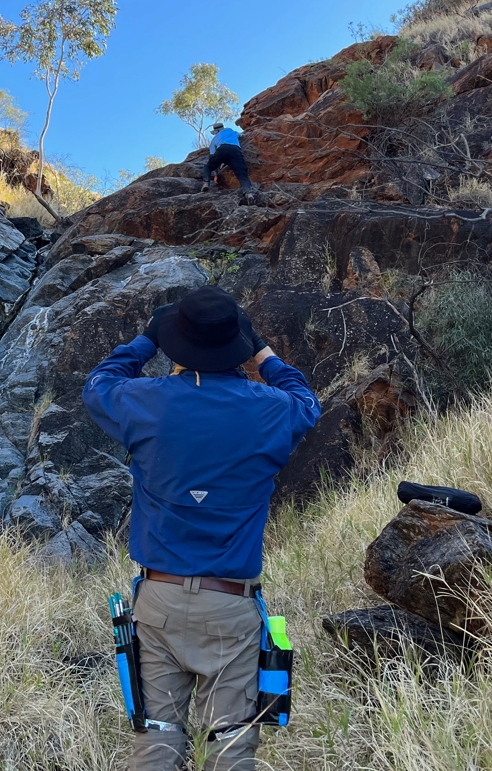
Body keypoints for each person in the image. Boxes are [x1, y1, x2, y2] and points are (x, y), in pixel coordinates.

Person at [82, 286, 321, 771]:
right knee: (230, 745)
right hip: (230, 607)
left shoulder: (144, 401)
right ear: (236, 345)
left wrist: (146, 340)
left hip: (157, 603)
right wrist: (263, 351)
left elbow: (98, 385)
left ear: (176, 344)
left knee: (158, 740)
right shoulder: (269, 408)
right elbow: (307, 401)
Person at [202, 121, 253, 192]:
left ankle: (206, 183)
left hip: (222, 149)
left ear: (216, 131)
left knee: (208, 167)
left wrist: (217, 174)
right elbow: (241, 136)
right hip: (235, 150)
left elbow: (212, 155)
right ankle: (248, 193)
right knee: (242, 173)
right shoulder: (231, 131)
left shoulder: (214, 139)